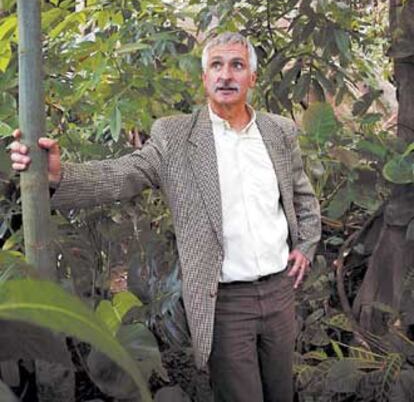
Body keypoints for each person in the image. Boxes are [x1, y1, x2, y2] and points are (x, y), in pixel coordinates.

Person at [11, 32, 321, 402]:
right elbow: (124, 174)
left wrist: (305, 245)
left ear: (252, 77)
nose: (226, 75)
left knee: (282, 392)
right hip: (224, 301)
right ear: (204, 77)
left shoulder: (278, 131)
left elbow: (301, 194)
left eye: (237, 66)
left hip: (279, 293)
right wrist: (60, 176)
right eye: (216, 66)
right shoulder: (175, 137)